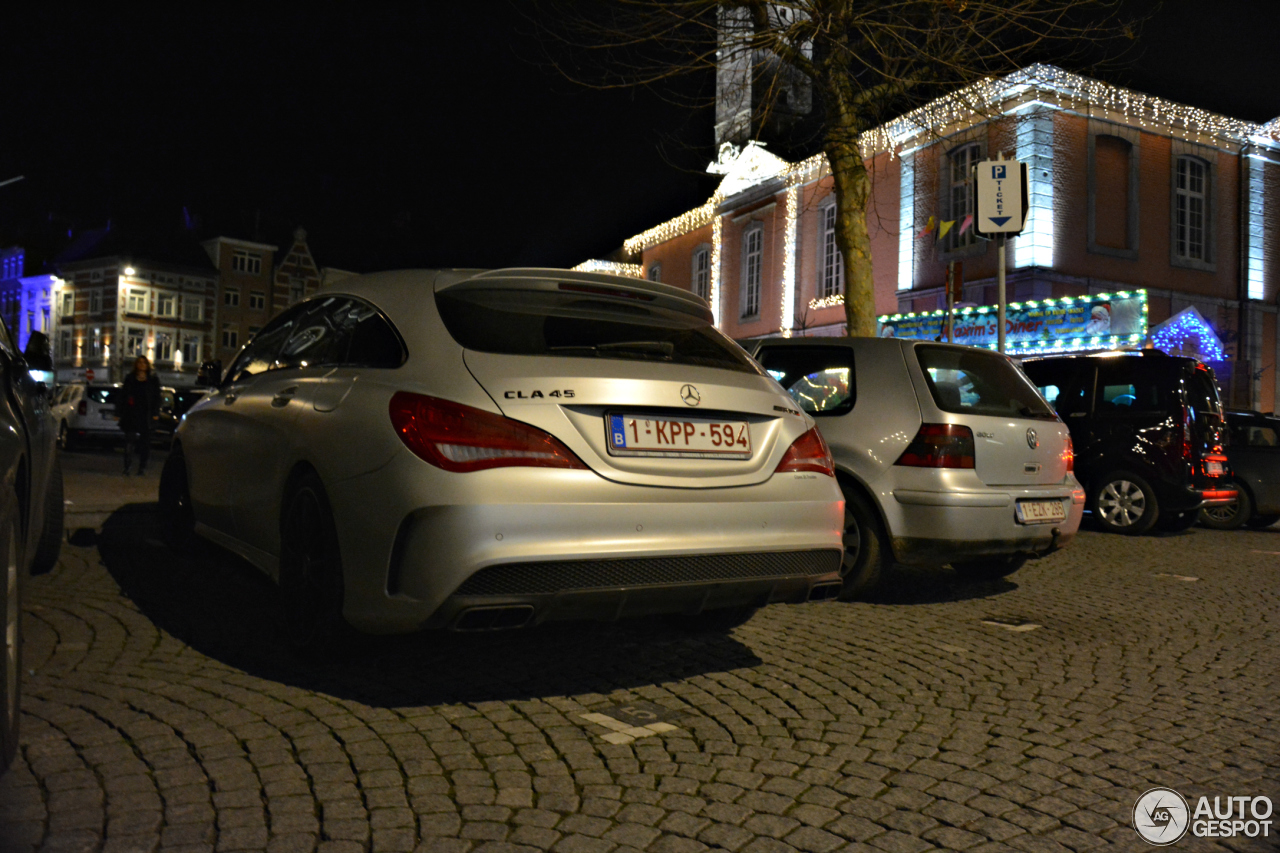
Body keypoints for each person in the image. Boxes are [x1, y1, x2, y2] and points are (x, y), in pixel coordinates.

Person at [119, 356, 161, 475]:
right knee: (129, 441)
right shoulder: (130, 379)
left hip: (145, 415)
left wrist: (155, 413)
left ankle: (142, 467)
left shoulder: (152, 380)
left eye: (144, 363)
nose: (142, 365)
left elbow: (157, 398)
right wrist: (120, 412)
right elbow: (123, 396)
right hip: (132, 414)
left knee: (145, 443)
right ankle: (127, 466)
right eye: (140, 363)